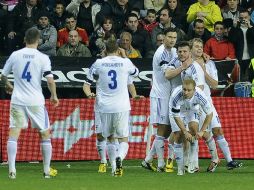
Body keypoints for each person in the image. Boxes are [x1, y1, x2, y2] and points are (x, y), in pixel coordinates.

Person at [0, 27, 59, 179]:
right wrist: (54, 95)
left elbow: (3, 76)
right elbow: (50, 80)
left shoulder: (15, 55)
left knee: (14, 133)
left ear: (25, 39)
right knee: (45, 134)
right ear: (39, 40)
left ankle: (12, 170)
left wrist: (9, 86)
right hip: (35, 101)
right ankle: (46, 171)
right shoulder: (42, 57)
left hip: (18, 100)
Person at [83, 35, 139, 177]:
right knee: (123, 139)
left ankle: (114, 167)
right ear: (118, 49)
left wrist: (89, 94)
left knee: (109, 138)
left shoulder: (98, 63)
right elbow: (136, 73)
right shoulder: (125, 63)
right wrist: (125, 56)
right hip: (122, 106)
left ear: (105, 49)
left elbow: (87, 83)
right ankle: (120, 157)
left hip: (104, 107)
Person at [190, 38, 243, 171]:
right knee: (197, 133)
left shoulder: (209, 64)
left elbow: (214, 84)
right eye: (196, 46)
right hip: (194, 104)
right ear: (191, 49)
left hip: (208, 102)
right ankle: (196, 164)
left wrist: (204, 70)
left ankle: (229, 161)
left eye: (200, 46)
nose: (199, 48)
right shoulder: (187, 64)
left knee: (217, 130)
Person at [141, 28, 184, 172]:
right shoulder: (162, 53)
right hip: (160, 95)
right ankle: (160, 164)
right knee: (161, 129)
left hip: (168, 95)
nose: (172, 40)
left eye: (174, 37)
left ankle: (148, 160)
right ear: (163, 37)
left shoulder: (173, 51)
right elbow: (167, 74)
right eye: (169, 37)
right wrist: (184, 67)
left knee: (167, 130)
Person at [169, 78, 214, 175]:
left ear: (194, 89)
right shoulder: (176, 96)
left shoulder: (200, 95)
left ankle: (192, 164)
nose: (186, 92)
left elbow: (210, 114)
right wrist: (185, 131)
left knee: (194, 129)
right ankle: (180, 169)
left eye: (189, 90)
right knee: (178, 136)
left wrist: (202, 131)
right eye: (184, 89)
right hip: (178, 112)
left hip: (192, 109)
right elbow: (176, 116)